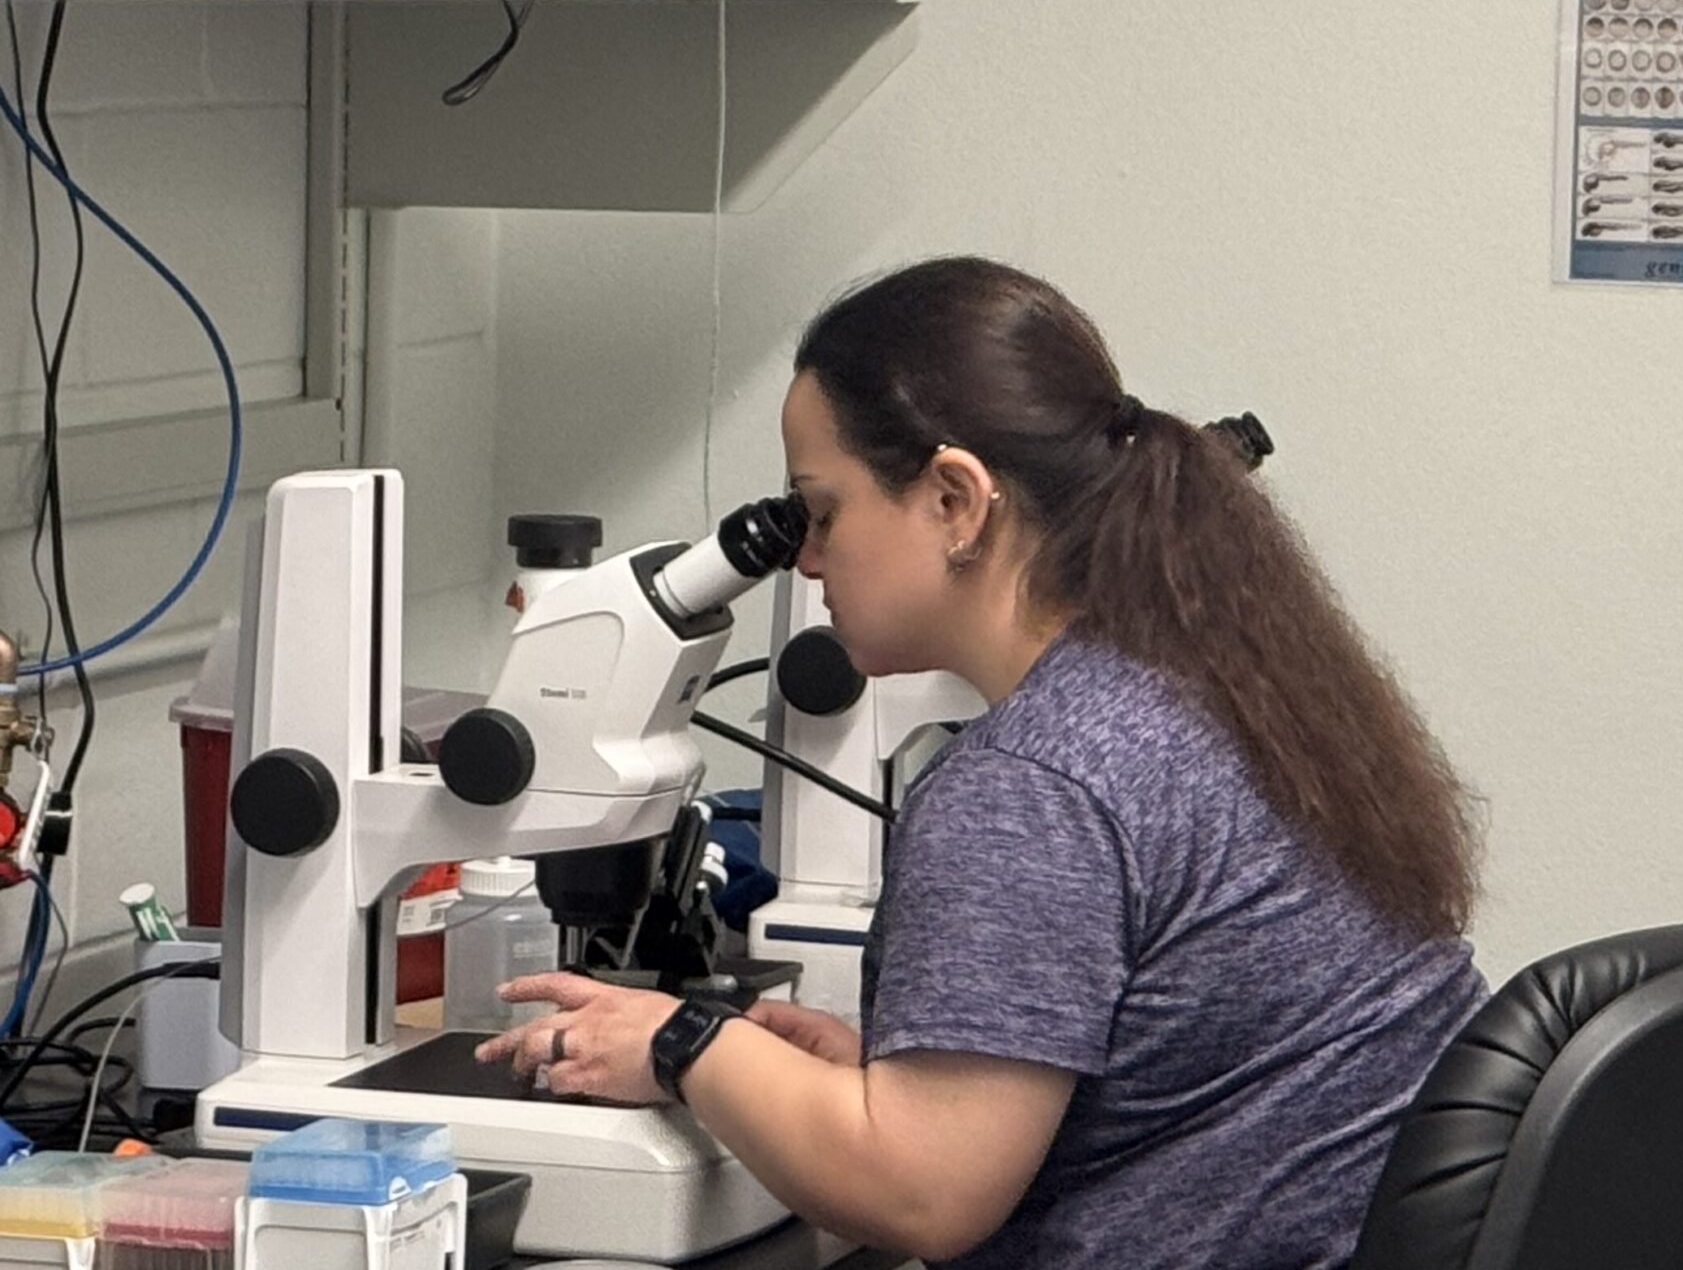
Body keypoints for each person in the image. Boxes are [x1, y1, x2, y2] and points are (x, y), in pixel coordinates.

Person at [478, 256, 1488, 1268]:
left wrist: (684, 1044)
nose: (808, 561)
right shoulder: (1221, 687)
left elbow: (922, 1196)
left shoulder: (1033, 782)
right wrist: (873, 1090)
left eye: (822, 512)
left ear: (956, 500)